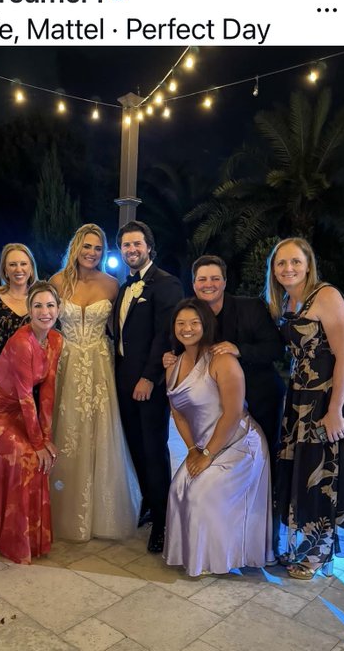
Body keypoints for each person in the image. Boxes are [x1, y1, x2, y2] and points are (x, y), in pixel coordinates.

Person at [265, 237, 344, 580]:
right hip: (300, 396)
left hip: (327, 396)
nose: (288, 268)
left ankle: (316, 553)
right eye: (281, 263)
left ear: (308, 265)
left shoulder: (325, 295)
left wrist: (336, 410)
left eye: (295, 262)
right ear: (273, 270)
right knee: (301, 472)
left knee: (322, 474)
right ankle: (299, 545)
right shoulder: (285, 301)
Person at [164, 298, 274, 576]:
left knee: (201, 491)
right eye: (181, 323)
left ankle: (219, 558)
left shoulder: (222, 361)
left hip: (240, 444)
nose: (187, 328)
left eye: (194, 322)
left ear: (206, 325)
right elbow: (178, 414)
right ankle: (192, 554)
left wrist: (207, 455)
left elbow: (233, 414)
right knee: (179, 487)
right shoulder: (172, 365)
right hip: (204, 446)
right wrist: (192, 449)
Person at [49, 224, 140, 542]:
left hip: (100, 364)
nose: (92, 253)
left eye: (98, 248)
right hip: (67, 363)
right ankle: (63, 508)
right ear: (76, 247)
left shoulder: (113, 284)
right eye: (87, 246)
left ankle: (103, 514)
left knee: (101, 431)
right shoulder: (57, 282)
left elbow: (122, 330)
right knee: (67, 429)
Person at [0, 281, 63, 563]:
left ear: (58, 309)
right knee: (29, 457)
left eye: (50, 305)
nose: (45, 311)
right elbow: (25, 397)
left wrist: (46, 438)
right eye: (38, 306)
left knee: (40, 457)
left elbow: (47, 390)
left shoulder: (56, 340)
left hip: (12, 410)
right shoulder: (22, 342)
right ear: (29, 310)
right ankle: (8, 539)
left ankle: (30, 539)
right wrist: (37, 443)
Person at [165, 255, 285, 455]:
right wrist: (171, 356)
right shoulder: (191, 315)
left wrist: (240, 350)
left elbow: (276, 349)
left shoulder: (251, 307)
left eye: (215, 278)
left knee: (264, 456)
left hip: (259, 399)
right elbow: (183, 345)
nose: (208, 284)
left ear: (224, 282)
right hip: (215, 406)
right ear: (194, 284)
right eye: (202, 279)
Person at [113, 220, 183, 552]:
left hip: (148, 385)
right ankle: (149, 504)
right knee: (136, 448)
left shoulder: (167, 284)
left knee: (154, 450)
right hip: (123, 382)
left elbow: (165, 335)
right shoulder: (124, 287)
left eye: (137, 243)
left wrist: (149, 377)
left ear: (149, 247)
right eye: (126, 245)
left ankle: (163, 521)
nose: (132, 249)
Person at [0, 243, 37, 374]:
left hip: (33, 372)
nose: (18, 269)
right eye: (12, 264)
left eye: (23, 264)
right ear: (5, 269)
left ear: (31, 268)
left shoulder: (42, 297)